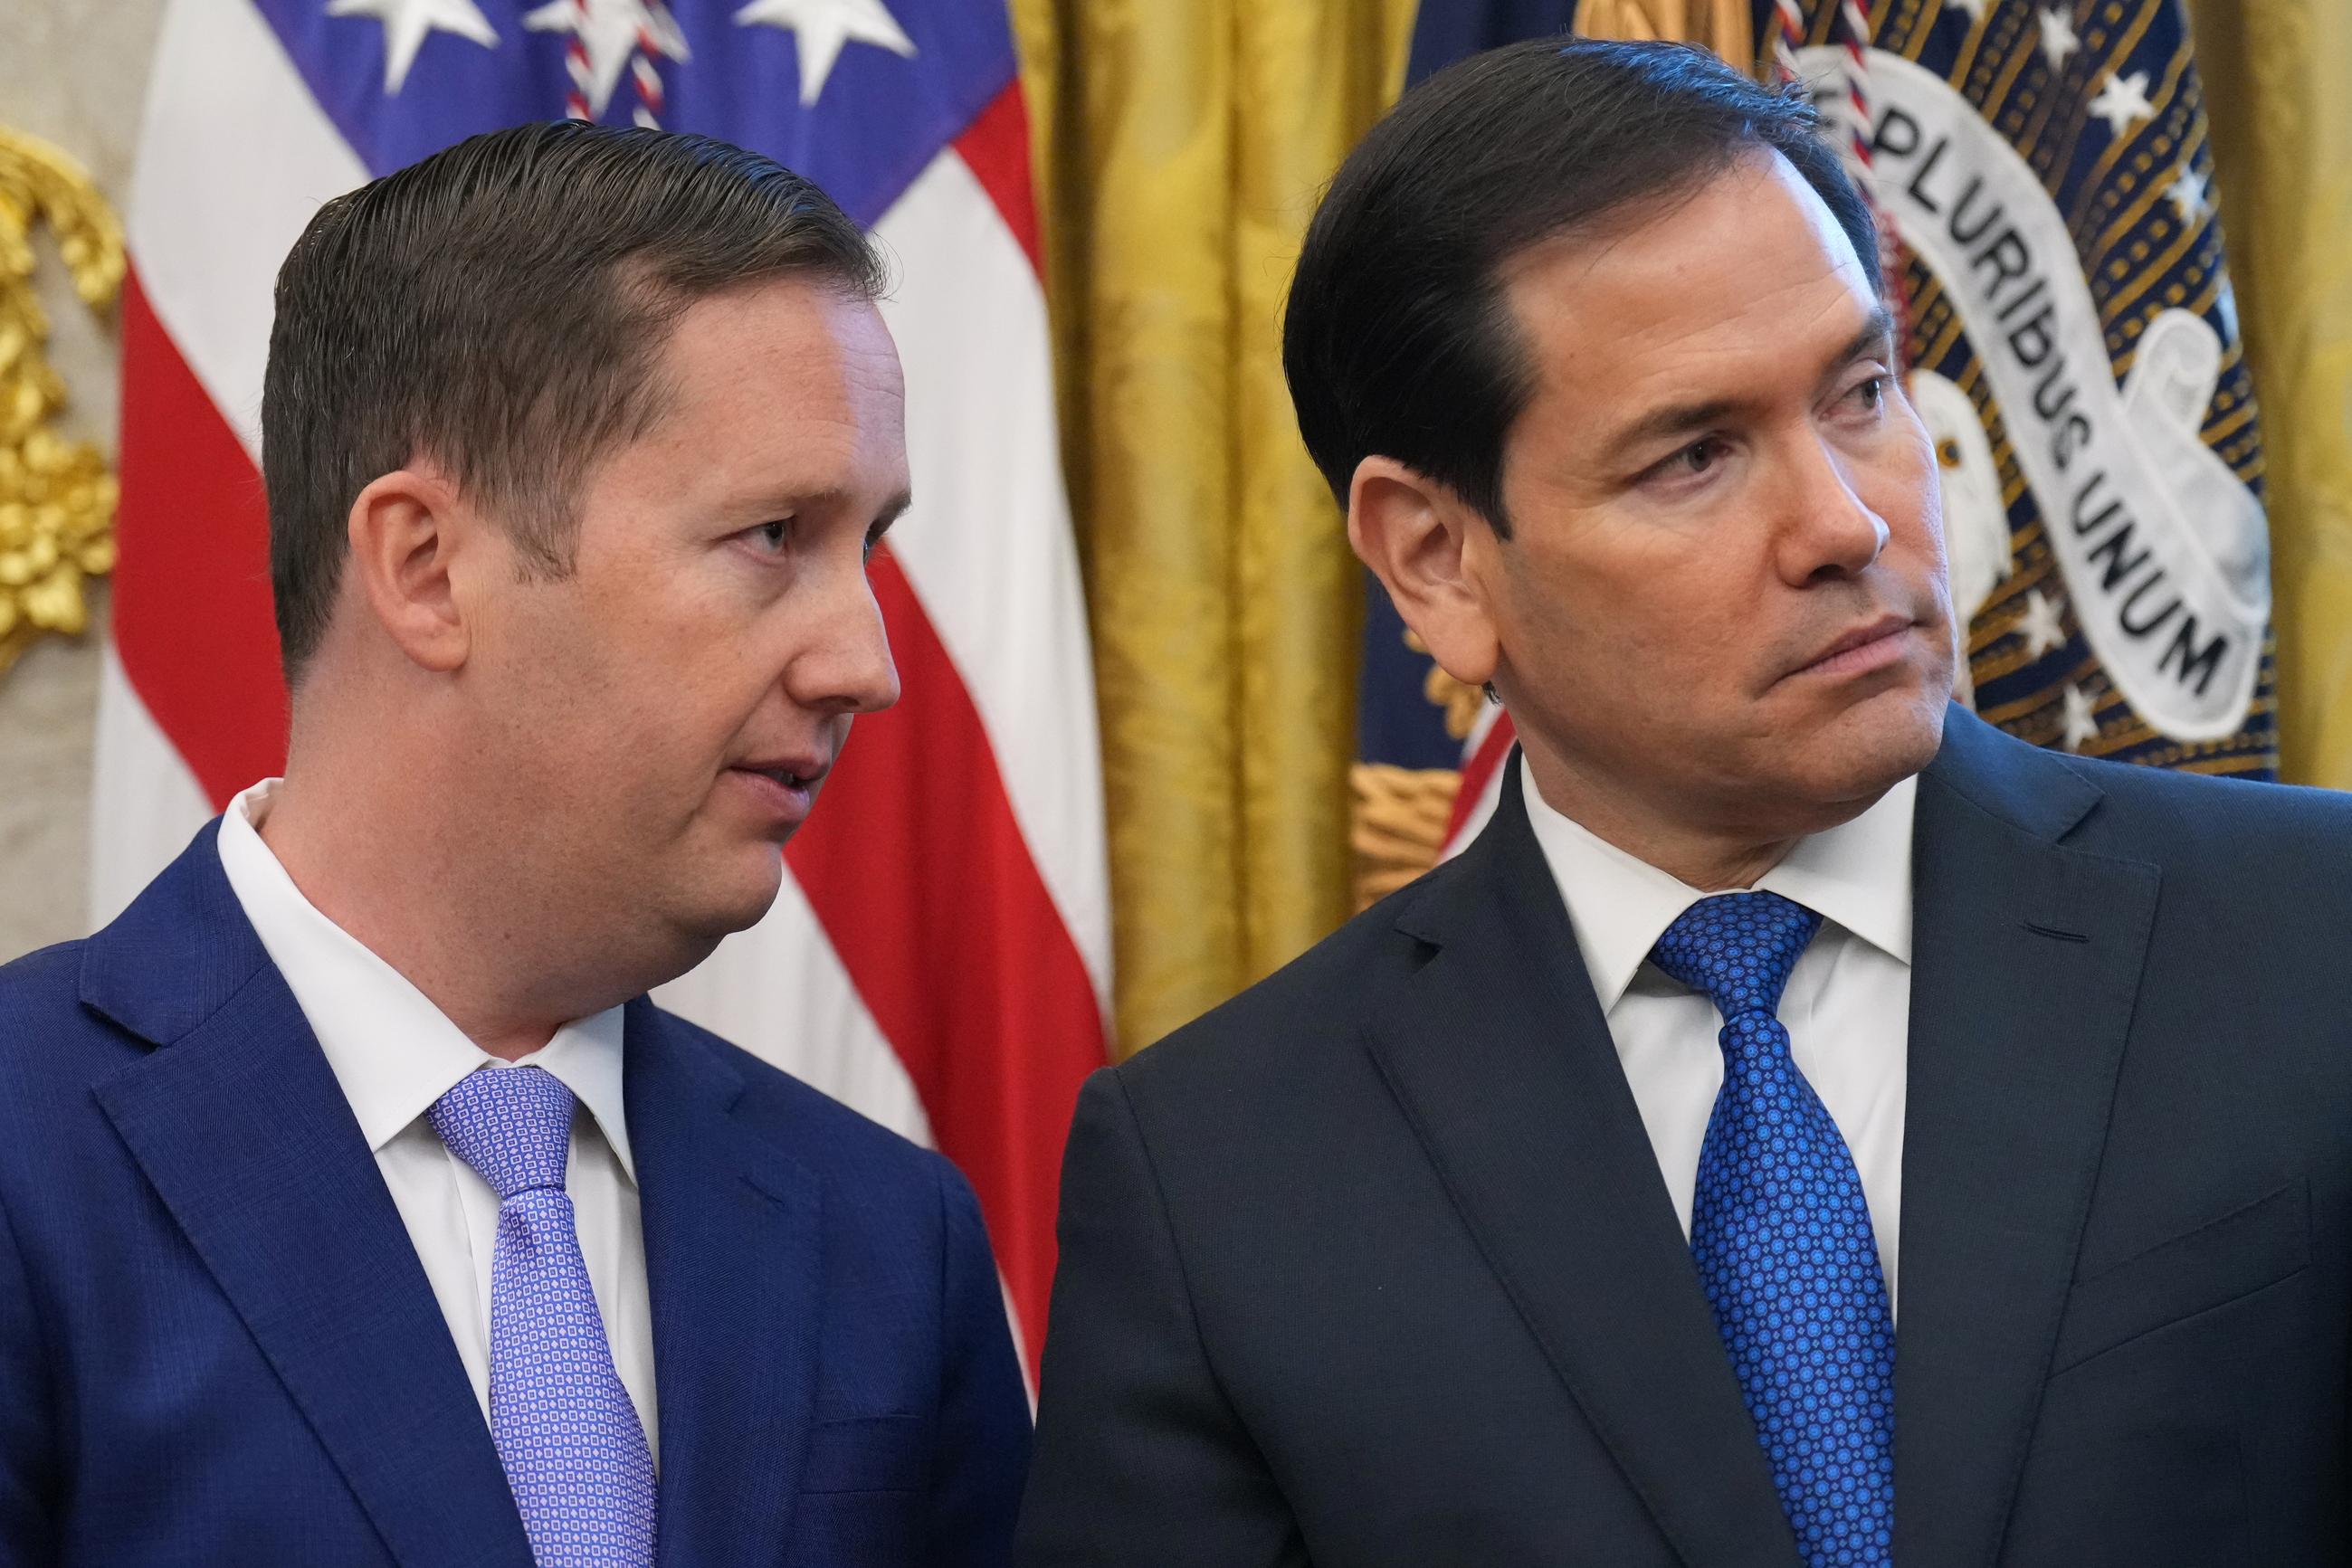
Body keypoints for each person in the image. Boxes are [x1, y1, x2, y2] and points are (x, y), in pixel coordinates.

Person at [1016, 38, 2352, 1568]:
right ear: (1438, 562)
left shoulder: (2313, 944)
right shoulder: (1219, 1176)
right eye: (1697, 456)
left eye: (1861, 391)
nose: (1849, 522)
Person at [0, 123, 1028, 1567]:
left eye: (871, 546)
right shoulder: (26, 1146)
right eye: (774, 534)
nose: (866, 661)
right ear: (427, 567)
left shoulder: (886, 1237)